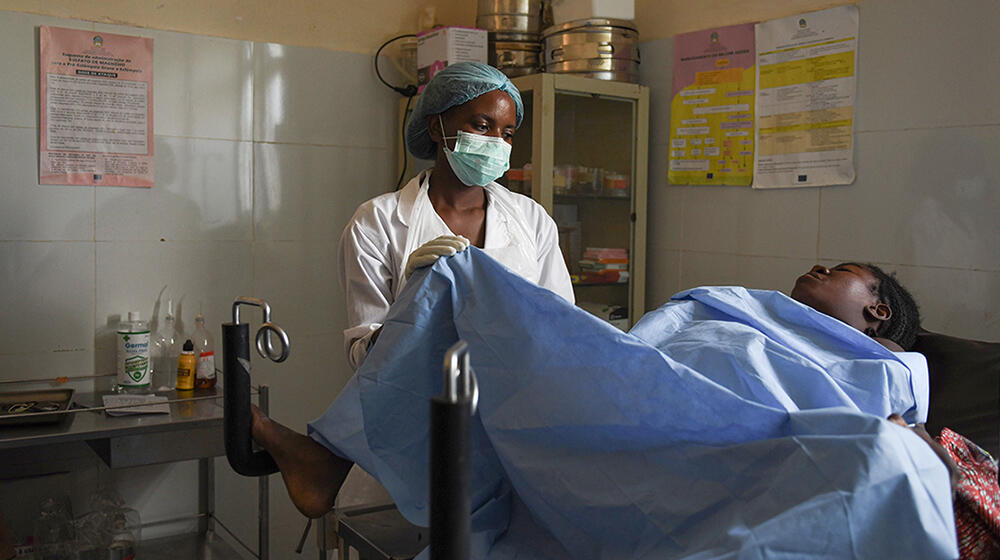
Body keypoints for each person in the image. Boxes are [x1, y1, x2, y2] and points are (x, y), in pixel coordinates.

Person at [252, 258, 949, 520]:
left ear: (878, 308)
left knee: (459, 279)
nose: (817, 266)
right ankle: (332, 456)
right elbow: (665, 335)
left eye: (840, 269)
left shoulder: (887, 371)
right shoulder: (753, 305)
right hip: (633, 388)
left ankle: (332, 457)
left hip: (711, 437)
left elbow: (859, 441)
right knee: (452, 277)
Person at [338, 61, 574, 371]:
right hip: (417, 408)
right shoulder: (377, 223)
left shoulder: (531, 219)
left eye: (507, 133)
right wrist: (415, 301)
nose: (496, 142)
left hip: (513, 404)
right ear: (436, 128)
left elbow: (562, 327)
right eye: (481, 125)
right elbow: (363, 357)